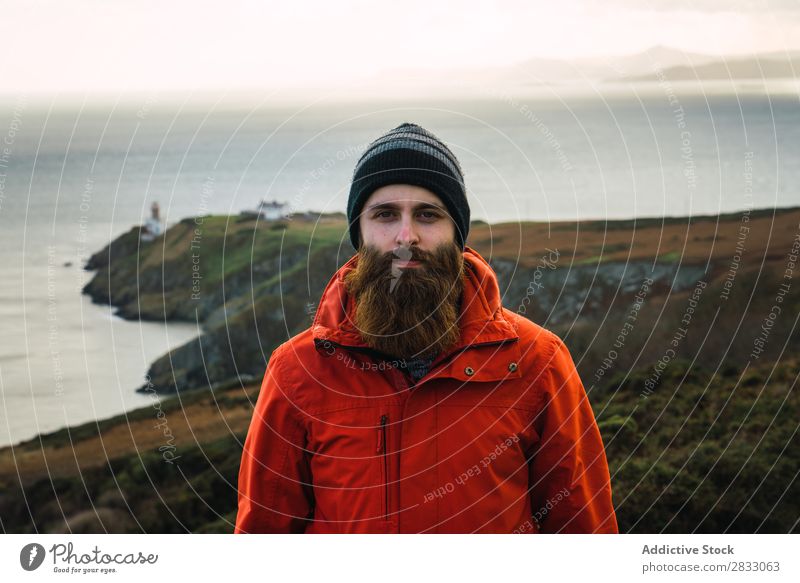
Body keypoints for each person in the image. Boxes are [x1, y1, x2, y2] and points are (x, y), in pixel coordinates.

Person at [235, 123, 618, 534]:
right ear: (359, 234)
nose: (406, 235)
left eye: (428, 215)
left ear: (457, 233)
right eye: (384, 214)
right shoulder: (297, 371)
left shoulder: (539, 361)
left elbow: (583, 529)